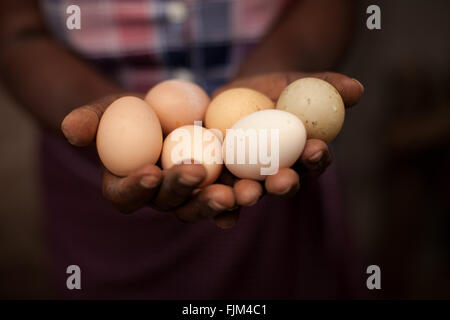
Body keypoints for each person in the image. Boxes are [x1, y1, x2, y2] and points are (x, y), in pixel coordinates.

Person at [0, 0, 363, 299]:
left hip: (274, 192)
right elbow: (16, 32)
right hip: (89, 182)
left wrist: (283, 65)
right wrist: (105, 117)